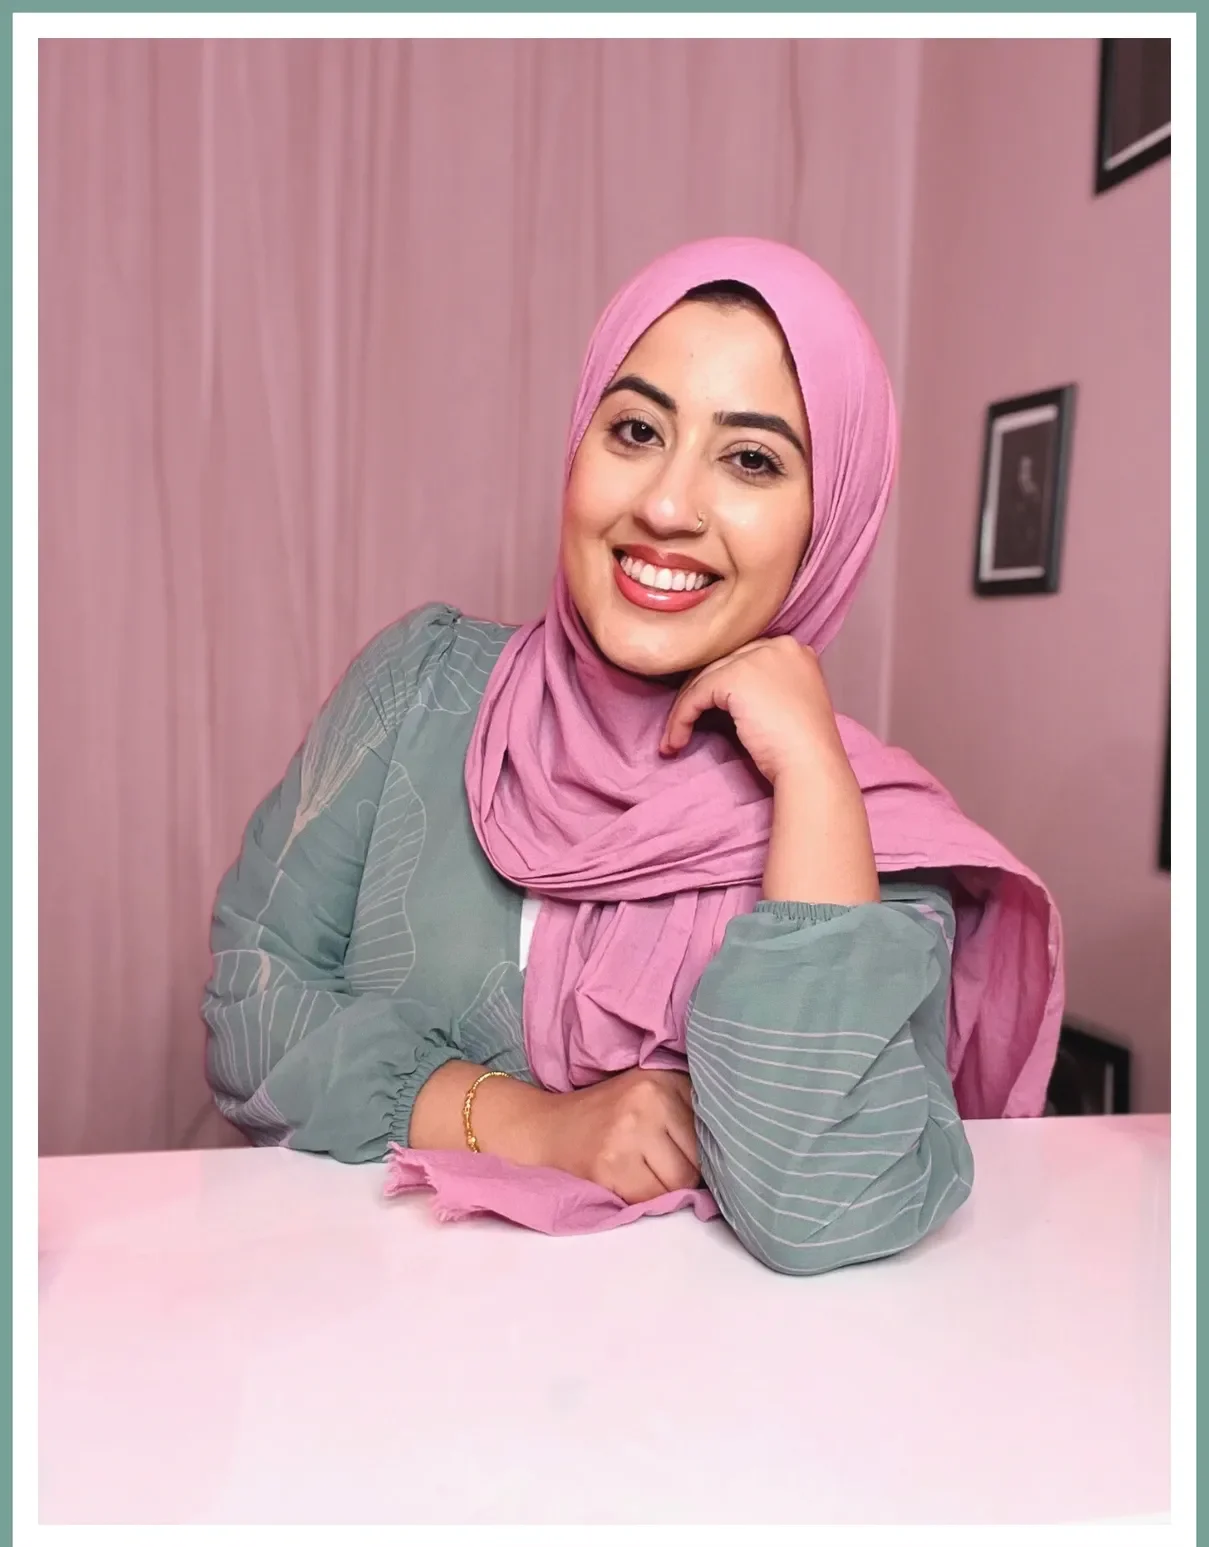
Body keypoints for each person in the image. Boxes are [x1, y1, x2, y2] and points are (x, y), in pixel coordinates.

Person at [203, 237, 1062, 1276]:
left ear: (826, 524)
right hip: (374, 1372)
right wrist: (528, 1125)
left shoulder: (864, 828)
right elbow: (251, 1004)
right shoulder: (420, 690)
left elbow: (819, 1202)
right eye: (638, 430)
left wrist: (813, 782)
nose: (665, 505)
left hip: (687, 1419)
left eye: (751, 459)